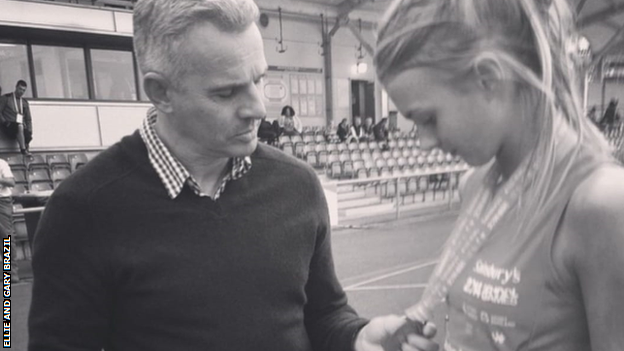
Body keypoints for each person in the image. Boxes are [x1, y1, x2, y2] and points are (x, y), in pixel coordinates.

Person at [28, 1, 437, 351]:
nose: (258, 108)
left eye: (259, 79)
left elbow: (325, 312)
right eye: (226, 93)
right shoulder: (84, 210)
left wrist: (357, 337)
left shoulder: (297, 186)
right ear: (161, 92)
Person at [375, 0, 624, 350]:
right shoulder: (474, 187)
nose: (424, 144)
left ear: (487, 78)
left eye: (427, 119)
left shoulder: (602, 203)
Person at [0, 80, 33, 156]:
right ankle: (23, 150)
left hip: (19, 127)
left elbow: (28, 119)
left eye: (23, 90)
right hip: (8, 125)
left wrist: (30, 131)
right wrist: (4, 122)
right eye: (20, 89)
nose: (21, 91)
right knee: (19, 126)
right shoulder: (6, 98)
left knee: (26, 132)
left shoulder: (24, 102)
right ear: (16, 87)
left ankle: (26, 147)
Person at [0, 158, 17, 282]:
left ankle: (11, 273)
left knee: (6, 236)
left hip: (1, 201)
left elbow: (11, 182)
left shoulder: (1, 163)